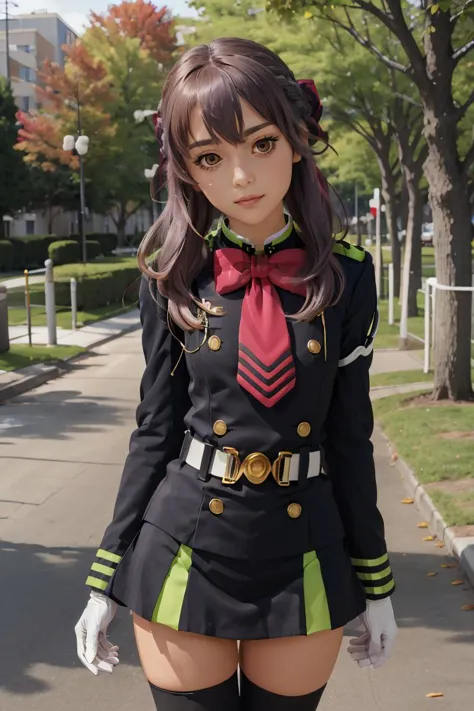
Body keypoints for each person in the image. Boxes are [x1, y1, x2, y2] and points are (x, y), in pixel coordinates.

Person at [75, 37, 397, 711]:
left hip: (303, 543)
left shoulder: (345, 276)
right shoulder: (170, 273)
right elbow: (155, 428)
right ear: (187, 171)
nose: (241, 176)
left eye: (261, 143)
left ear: (298, 140)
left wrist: (376, 579)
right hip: (188, 541)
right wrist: (105, 575)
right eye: (211, 157)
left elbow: (349, 436)